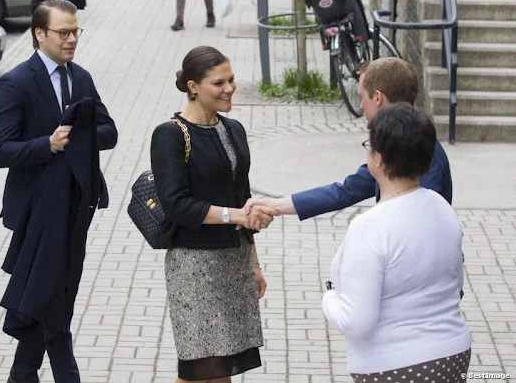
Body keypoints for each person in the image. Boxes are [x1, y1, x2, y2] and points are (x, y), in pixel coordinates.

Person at [0, 0, 117, 383]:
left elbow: (109, 132)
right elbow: (1, 152)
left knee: (49, 300)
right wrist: (48, 144)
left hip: (75, 209)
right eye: (63, 32)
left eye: (75, 31)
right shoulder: (15, 82)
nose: (71, 39)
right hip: (34, 213)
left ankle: (22, 374)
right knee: (51, 300)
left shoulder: (80, 78)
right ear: (39, 34)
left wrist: (79, 137)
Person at [150, 46, 278, 383]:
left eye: (231, 80)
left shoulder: (233, 129)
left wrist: (254, 264)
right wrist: (235, 215)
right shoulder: (170, 135)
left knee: (222, 370)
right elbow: (177, 205)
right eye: (218, 82)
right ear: (193, 86)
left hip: (233, 263)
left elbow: (243, 198)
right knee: (199, 371)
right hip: (194, 266)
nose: (229, 88)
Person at [321, 103, 471, 382]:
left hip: (394, 364)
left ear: (379, 159)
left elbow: (357, 322)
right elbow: (454, 284)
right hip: (454, 353)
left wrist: (328, 297)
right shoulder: (442, 208)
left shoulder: (370, 227)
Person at [242, 57, 452, 223]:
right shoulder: (401, 141)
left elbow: (422, 222)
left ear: (377, 98)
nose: (361, 105)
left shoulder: (419, 152)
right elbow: (345, 191)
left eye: (362, 96)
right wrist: (273, 204)